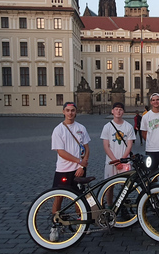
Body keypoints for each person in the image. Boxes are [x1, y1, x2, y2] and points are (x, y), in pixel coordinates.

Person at [50, 102, 90, 240]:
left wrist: (82, 166)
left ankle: (81, 224)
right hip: (63, 169)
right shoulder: (58, 130)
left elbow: (86, 148)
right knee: (58, 197)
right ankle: (55, 225)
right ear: (63, 112)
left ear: (76, 112)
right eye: (67, 110)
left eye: (73, 110)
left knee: (79, 196)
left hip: (78, 169)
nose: (70, 113)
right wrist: (79, 161)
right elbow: (61, 152)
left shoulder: (81, 128)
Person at [100, 102, 135, 207]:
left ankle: (123, 205)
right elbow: (106, 146)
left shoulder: (128, 126)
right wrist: (116, 161)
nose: (118, 111)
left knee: (125, 186)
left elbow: (129, 145)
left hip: (124, 162)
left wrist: (122, 160)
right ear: (112, 111)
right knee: (109, 186)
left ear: (123, 112)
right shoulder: (107, 127)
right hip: (111, 162)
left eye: (120, 109)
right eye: (116, 109)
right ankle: (110, 205)